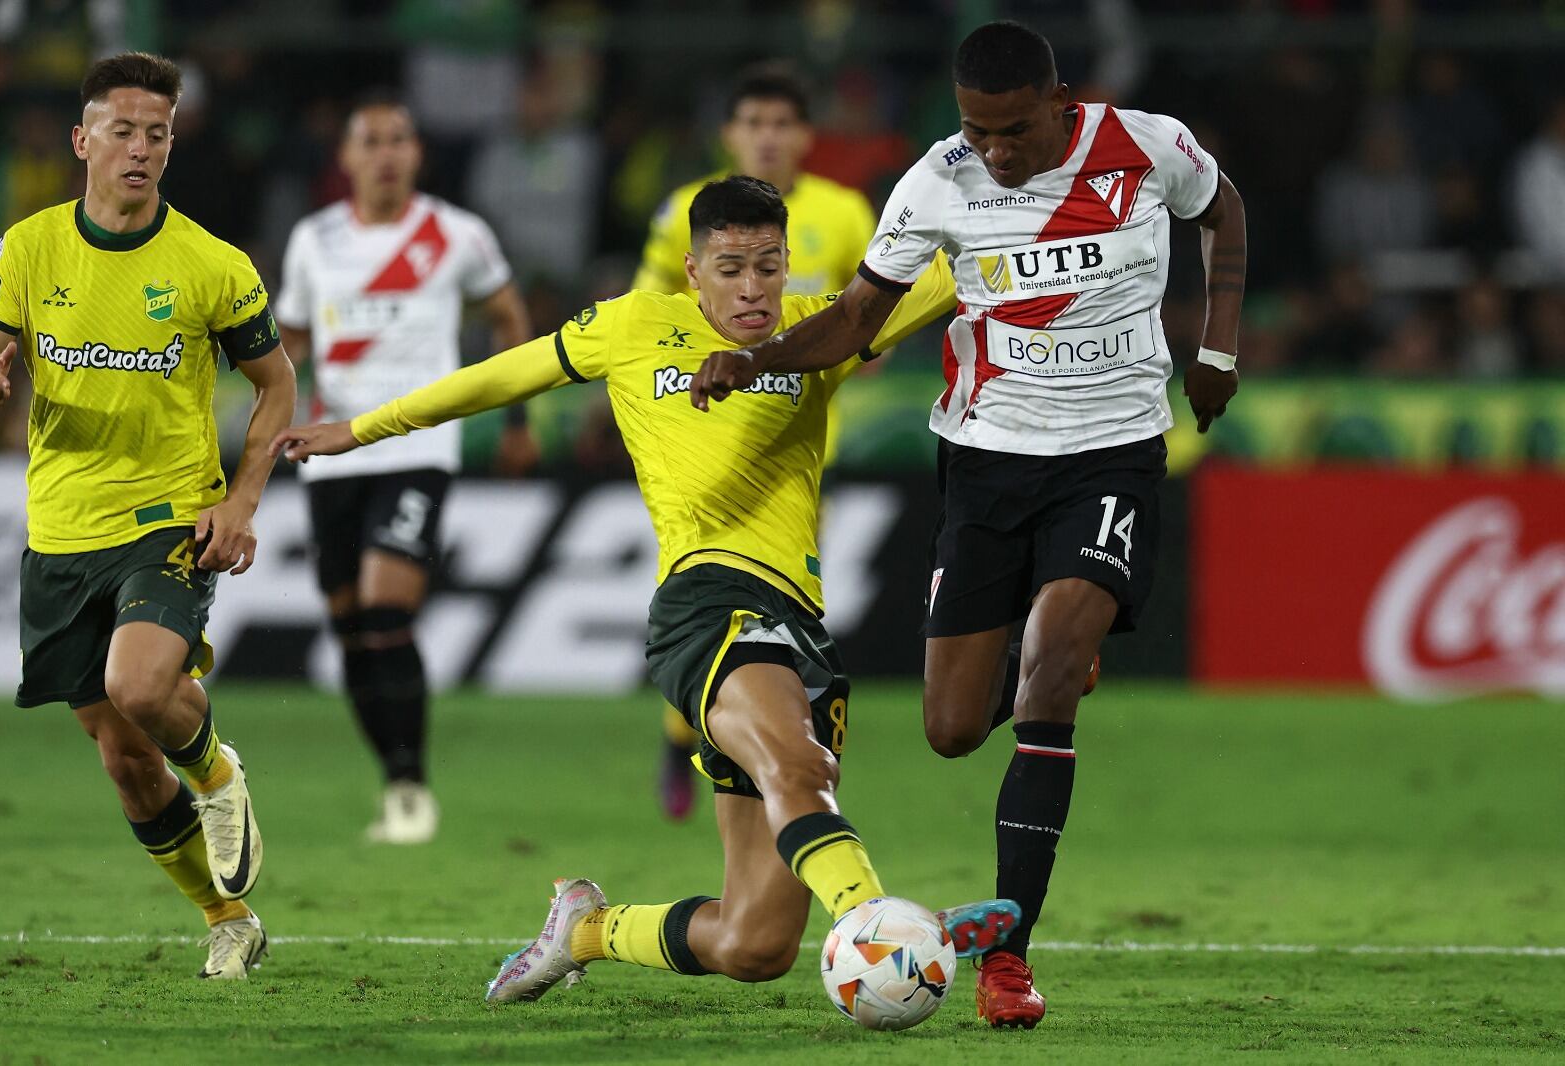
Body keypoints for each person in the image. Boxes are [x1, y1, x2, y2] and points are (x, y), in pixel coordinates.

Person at [271, 176, 1020, 1007]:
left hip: (802, 624)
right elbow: (497, 377)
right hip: (705, 604)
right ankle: (884, 925)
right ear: (693, 270)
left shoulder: (822, 330)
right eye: (731, 267)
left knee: (756, 942)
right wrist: (362, 428)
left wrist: (1034, 188)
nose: (752, 289)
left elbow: (972, 262)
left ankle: (586, 929)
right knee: (798, 768)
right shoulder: (631, 326)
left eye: (769, 267)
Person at [688, 22, 1245, 1028]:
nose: (993, 150)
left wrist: (1219, 348)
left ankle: (1008, 954)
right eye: (975, 130)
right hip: (984, 461)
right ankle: (1058, 651)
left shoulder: (1147, 144)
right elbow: (859, 317)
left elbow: (1225, 212)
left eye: (1013, 131)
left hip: (1109, 455)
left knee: (1044, 681)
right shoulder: (937, 180)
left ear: (1059, 102)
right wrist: (756, 359)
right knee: (949, 728)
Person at [0, 53, 297, 979]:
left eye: (157, 133)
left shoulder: (210, 266)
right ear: (83, 141)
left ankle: (222, 775)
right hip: (61, 533)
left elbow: (277, 386)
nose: (140, 148)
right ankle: (227, 916)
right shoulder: (26, 250)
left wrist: (241, 500)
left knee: (144, 689)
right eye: (122, 130)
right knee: (122, 759)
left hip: (167, 520)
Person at [273, 92, 532, 845]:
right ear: (347, 157)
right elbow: (287, 340)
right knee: (350, 622)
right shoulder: (314, 240)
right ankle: (395, 779)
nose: (386, 153)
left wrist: (516, 421)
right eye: (371, 140)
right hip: (328, 449)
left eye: (398, 139)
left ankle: (413, 784)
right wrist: (268, 417)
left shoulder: (457, 235)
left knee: (389, 609)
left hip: (417, 448)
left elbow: (509, 319)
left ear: (416, 153)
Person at [633, 64, 879, 821]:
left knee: (783, 612)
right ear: (730, 133)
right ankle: (692, 745)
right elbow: (648, 312)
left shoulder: (841, 214)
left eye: (782, 124)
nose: (767, 138)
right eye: (754, 124)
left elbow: (874, 310)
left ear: (805, 135)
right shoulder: (688, 211)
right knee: (706, 605)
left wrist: (840, 355)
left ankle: (764, 757)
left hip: (796, 452)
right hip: (699, 443)